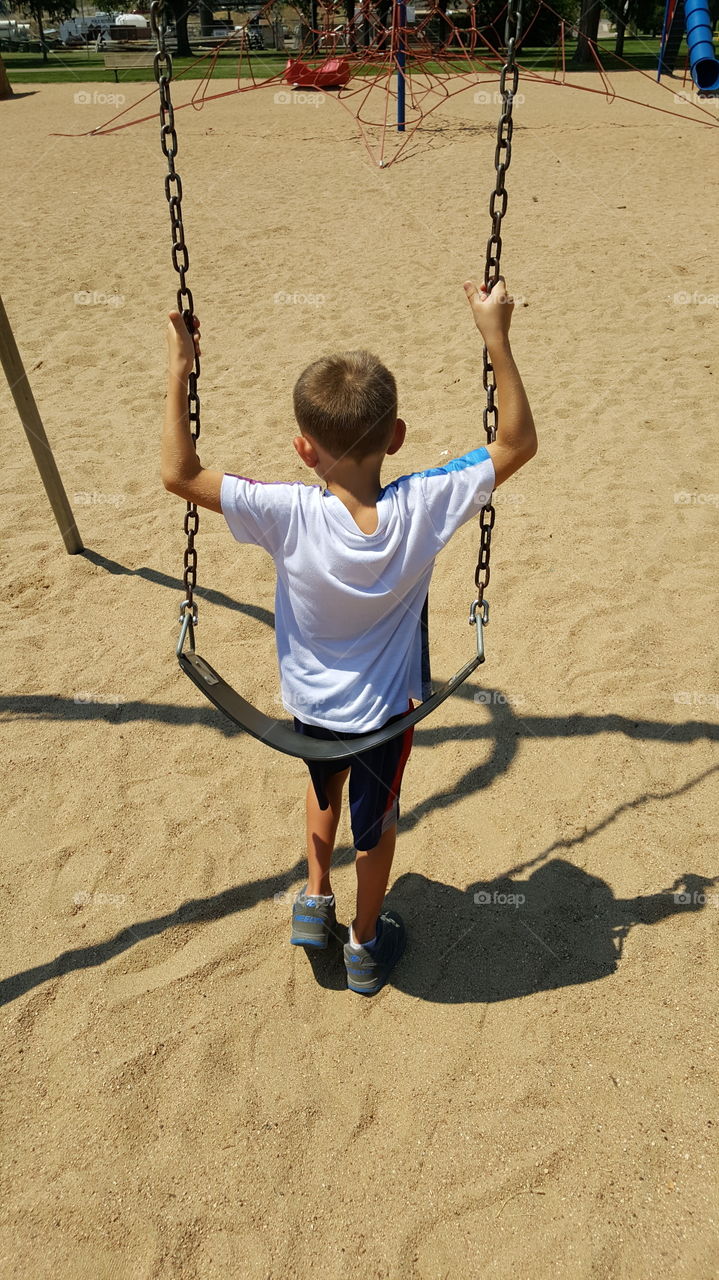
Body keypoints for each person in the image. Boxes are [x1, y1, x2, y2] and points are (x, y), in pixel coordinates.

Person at [160, 275, 537, 995]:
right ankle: (364, 943)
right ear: (396, 437)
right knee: (377, 823)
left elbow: (179, 474)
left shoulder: (283, 512)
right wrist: (495, 336)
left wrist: (181, 370)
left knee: (322, 779)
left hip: (308, 707)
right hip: (381, 718)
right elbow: (516, 443)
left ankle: (314, 898)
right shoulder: (426, 502)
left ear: (304, 450)